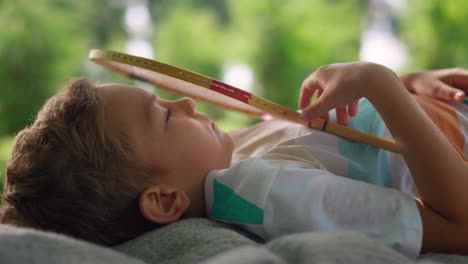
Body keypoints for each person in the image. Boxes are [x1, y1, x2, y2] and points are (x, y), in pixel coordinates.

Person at [0, 62, 466, 258]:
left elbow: (341, 137)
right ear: (163, 201)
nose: (184, 105)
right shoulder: (270, 193)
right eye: (163, 115)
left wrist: (410, 85)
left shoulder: (226, 160)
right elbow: (459, 224)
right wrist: (380, 82)